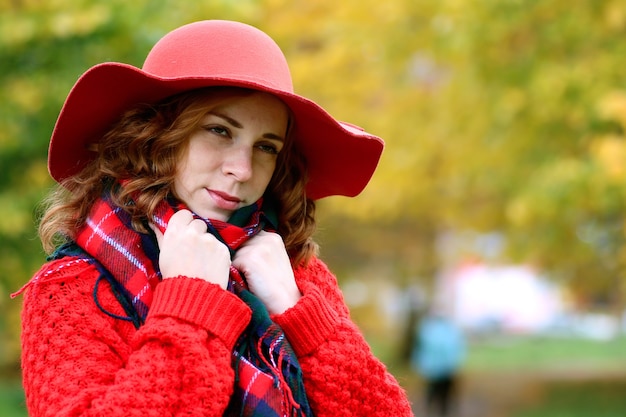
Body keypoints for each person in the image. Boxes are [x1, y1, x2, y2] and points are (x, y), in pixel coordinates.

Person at [13, 20, 414, 417]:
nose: (242, 169)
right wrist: (194, 303)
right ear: (154, 135)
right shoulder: (70, 288)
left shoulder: (299, 276)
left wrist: (303, 318)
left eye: (266, 147)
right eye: (219, 130)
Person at [411, 307, 465, 417]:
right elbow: (422, 347)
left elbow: (456, 347)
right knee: (436, 392)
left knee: (442, 392)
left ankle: (438, 410)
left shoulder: (433, 328)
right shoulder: (430, 328)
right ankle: (433, 410)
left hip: (442, 368)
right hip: (438, 368)